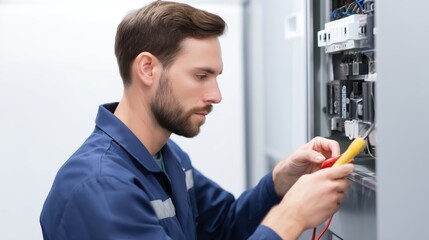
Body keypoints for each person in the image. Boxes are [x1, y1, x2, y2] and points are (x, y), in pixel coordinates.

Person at [40, 1, 353, 239]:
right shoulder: (101, 188)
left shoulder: (167, 156)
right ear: (148, 69)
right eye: (201, 76)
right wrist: (290, 218)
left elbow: (225, 226)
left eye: (215, 77)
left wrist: (279, 182)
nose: (216, 95)